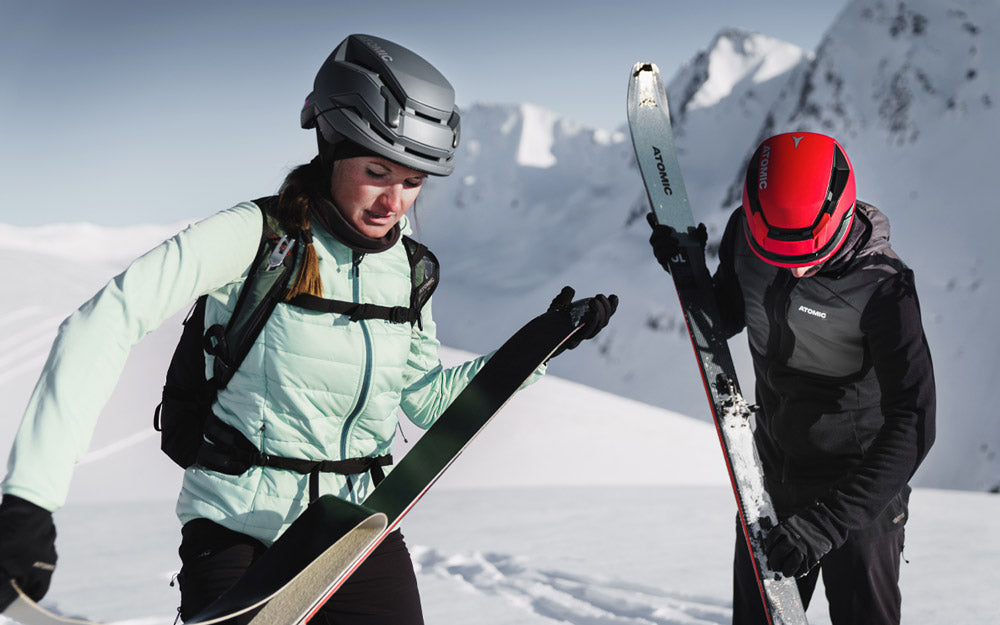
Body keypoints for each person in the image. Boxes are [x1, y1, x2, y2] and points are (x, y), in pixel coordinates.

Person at [0, 34, 617, 624]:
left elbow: (426, 401)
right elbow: (104, 320)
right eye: (379, 172)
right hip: (238, 530)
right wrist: (29, 499)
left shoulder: (409, 270)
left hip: (358, 527)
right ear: (333, 148)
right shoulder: (256, 236)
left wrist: (535, 347)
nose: (395, 202)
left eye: (413, 182)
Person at [649, 132, 935, 625]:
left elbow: (914, 422)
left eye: (810, 256)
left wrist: (825, 523)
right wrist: (689, 270)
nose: (797, 269)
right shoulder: (745, 236)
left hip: (858, 493)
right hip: (769, 480)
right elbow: (730, 315)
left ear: (842, 217)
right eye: (781, 255)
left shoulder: (885, 290)